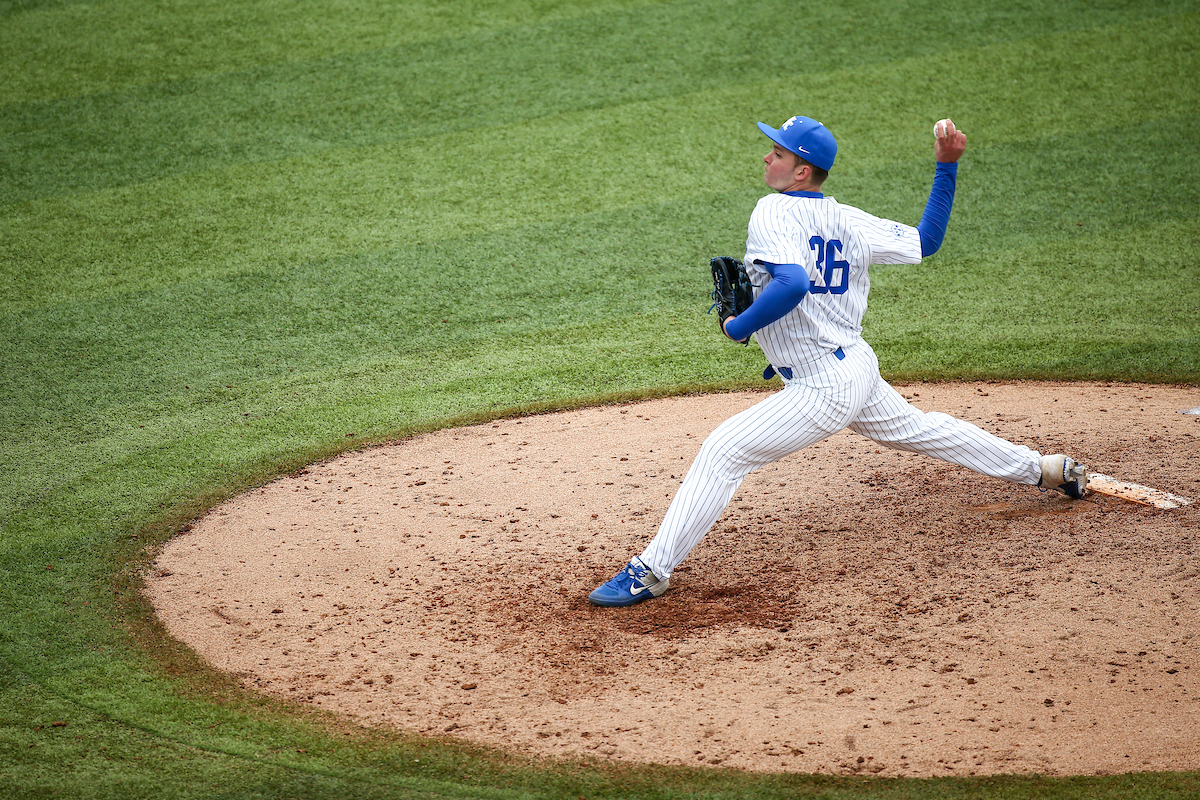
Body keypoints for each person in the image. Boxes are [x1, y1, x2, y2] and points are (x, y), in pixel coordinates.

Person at [588, 115, 1089, 608]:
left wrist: (737, 328)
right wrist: (947, 165)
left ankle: (651, 571)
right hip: (856, 368)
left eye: (778, 153)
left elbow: (792, 284)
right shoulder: (848, 218)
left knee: (723, 452)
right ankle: (1045, 469)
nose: (767, 157)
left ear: (801, 170)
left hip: (822, 385)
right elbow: (926, 240)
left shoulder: (772, 209)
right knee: (922, 429)